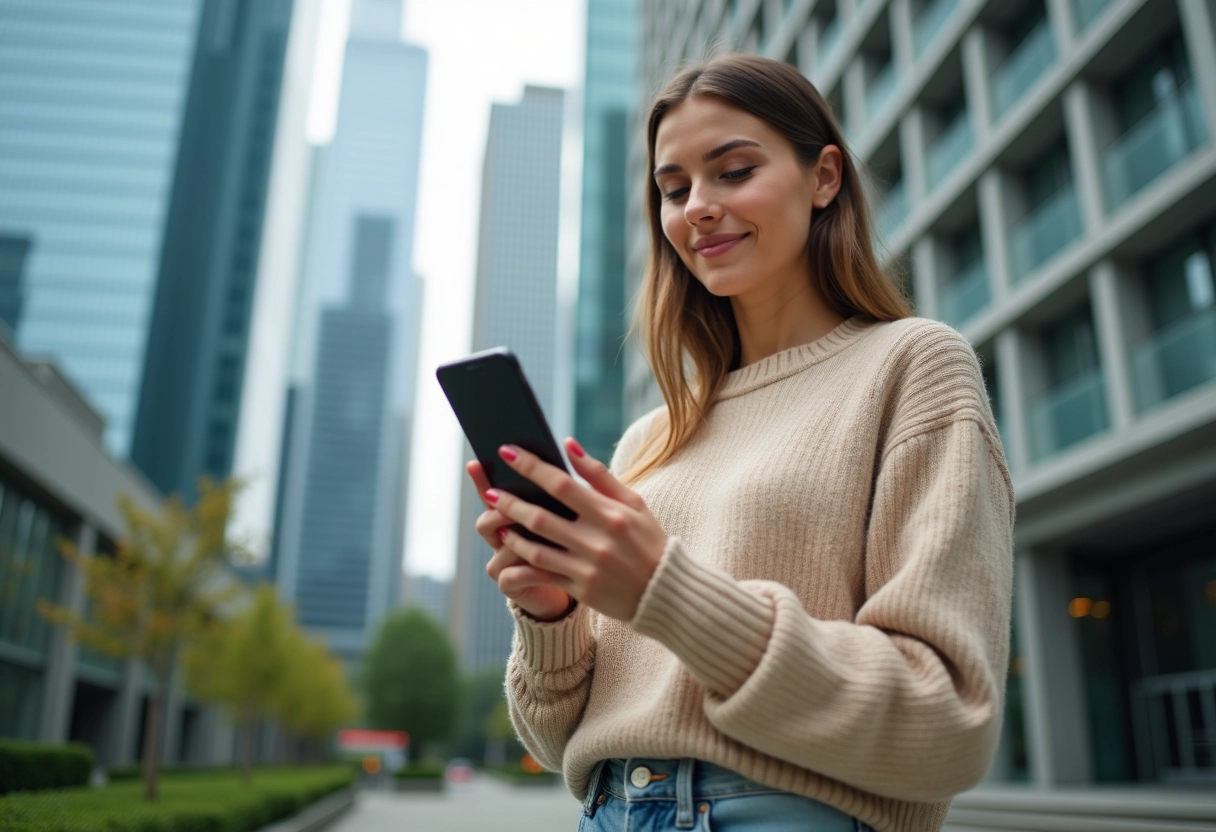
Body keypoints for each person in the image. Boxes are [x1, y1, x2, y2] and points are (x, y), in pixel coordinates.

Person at [465, 54, 1014, 832]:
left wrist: (662, 589)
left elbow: (947, 723)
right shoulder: (651, 439)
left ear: (824, 177)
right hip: (609, 809)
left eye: (734, 171)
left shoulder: (913, 365)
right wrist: (550, 616)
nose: (697, 208)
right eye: (674, 189)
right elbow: (559, 743)